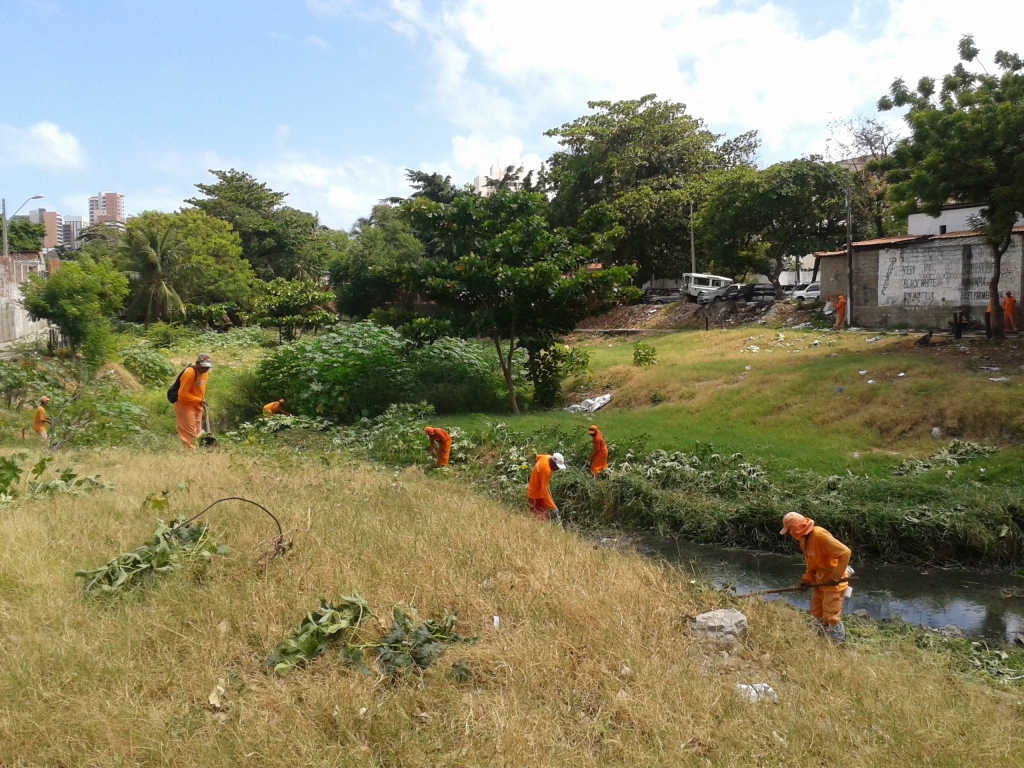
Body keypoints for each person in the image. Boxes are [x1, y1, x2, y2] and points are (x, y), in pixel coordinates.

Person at [780, 512, 851, 643]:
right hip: (820, 579)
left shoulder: (820, 535)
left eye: (789, 530)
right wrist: (806, 580)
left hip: (833, 581)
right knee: (816, 611)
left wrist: (835, 577)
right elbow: (811, 564)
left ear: (796, 527)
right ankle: (820, 640)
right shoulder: (803, 539)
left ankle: (837, 644)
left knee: (831, 615)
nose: (790, 533)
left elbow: (845, 553)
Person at [174, 353, 212, 450]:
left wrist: (201, 399)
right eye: (203, 367)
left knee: (197, 432)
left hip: (197, 404)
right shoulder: (190, 373)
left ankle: (197, 452)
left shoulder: (206, 371)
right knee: (189, 434)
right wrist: (198, 400)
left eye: (207, 367)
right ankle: (191, 456)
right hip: (185, 405)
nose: (205, 370)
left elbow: (199, 387)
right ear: (198, 363)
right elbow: (182, 394)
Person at [526, 452, 565, 521]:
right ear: (553, 462)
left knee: (535, 516)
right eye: (557, 467)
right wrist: (553, 507)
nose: (557, 469)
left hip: (531, 490)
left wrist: (538, 472)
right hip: (536, 495)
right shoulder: (547, 471)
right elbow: (544, 491)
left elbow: (537, 457)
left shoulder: (547, 457)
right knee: (542, 519)